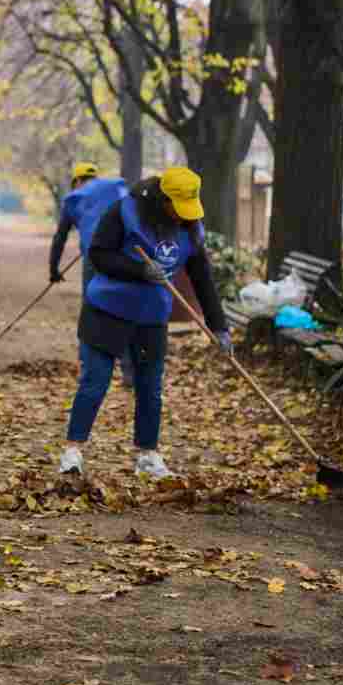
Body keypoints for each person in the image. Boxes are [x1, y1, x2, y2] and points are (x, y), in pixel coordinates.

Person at [59, 167, 231, 480]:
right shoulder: (125, 211)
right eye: (177, 210)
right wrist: (139, 270)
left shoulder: (191, 228)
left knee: (150, 388)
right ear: (163, 200)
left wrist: (219, 327)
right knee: (95, 382)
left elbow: (202, 278)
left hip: (151, 317)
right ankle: (73, 451)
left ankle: (148, 455)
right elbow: (99, 255)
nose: (182, 217)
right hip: (107, 310)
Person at [50, 162, 134, 385]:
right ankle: (129, 372)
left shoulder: (74, 198)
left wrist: (53, 270)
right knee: (125, 310)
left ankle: (89, 367)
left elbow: (60, 237)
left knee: (92, 311)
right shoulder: (117, 188)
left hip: (96, 260)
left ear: (77, 181)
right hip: (127, 257)